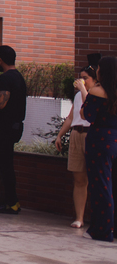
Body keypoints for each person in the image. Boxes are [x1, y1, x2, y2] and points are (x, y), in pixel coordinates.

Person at [55, 63, 96, 228]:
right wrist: (60, 135)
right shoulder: (79, 95)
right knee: (78, 178)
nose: (82, 81)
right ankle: (79, 217)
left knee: (94, 177)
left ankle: (96, 216)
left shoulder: (96, 93)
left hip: (90, 134)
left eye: (86, 78)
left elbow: (91, 108)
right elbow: (71, 117)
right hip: (76, 134)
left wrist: (84, 90)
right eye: (81, 78)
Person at [0, 44, 27, 214]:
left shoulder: (5, 78)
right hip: (16, 126)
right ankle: (12, 201)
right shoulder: (19, 77)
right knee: (7, 163)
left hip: (5, 128)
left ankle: (10, 202)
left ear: (0, 60)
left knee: (4, 164)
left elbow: (0, 103)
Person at [83, 56, 117, 242]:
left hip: (100, 141)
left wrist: (83, 91)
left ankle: (103, 230)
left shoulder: (97, 90)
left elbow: (87, 114)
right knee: (113, 185)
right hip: (115, 138)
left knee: (101, 185)